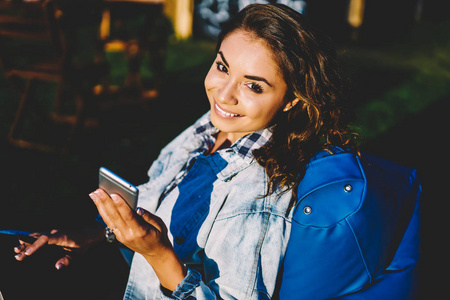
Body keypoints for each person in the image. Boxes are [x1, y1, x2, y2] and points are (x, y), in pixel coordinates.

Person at [13, 3, 421, 299]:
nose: (223, 94)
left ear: (293, 100)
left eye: (254, 85)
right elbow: (158, 195)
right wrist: (92, 236)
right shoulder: (210, 127)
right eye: (223, 67)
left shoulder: (259, 197)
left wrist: (157, 255)